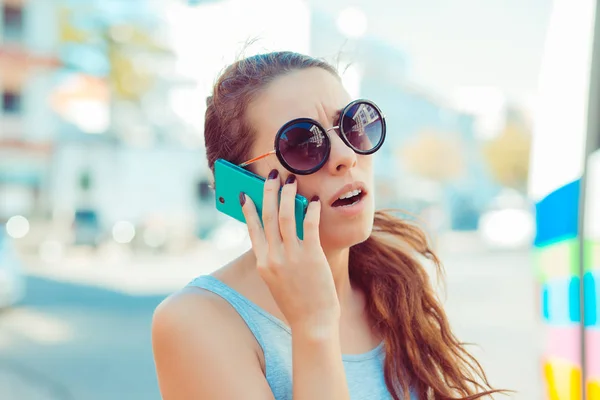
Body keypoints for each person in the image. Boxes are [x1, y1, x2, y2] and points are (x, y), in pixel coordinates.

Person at [151, 51, 505, 400]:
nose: (346, 157)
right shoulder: (197, 321)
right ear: (245, 186)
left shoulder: (393, 280)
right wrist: (314, 325)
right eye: (304, 143)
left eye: (353, 125)